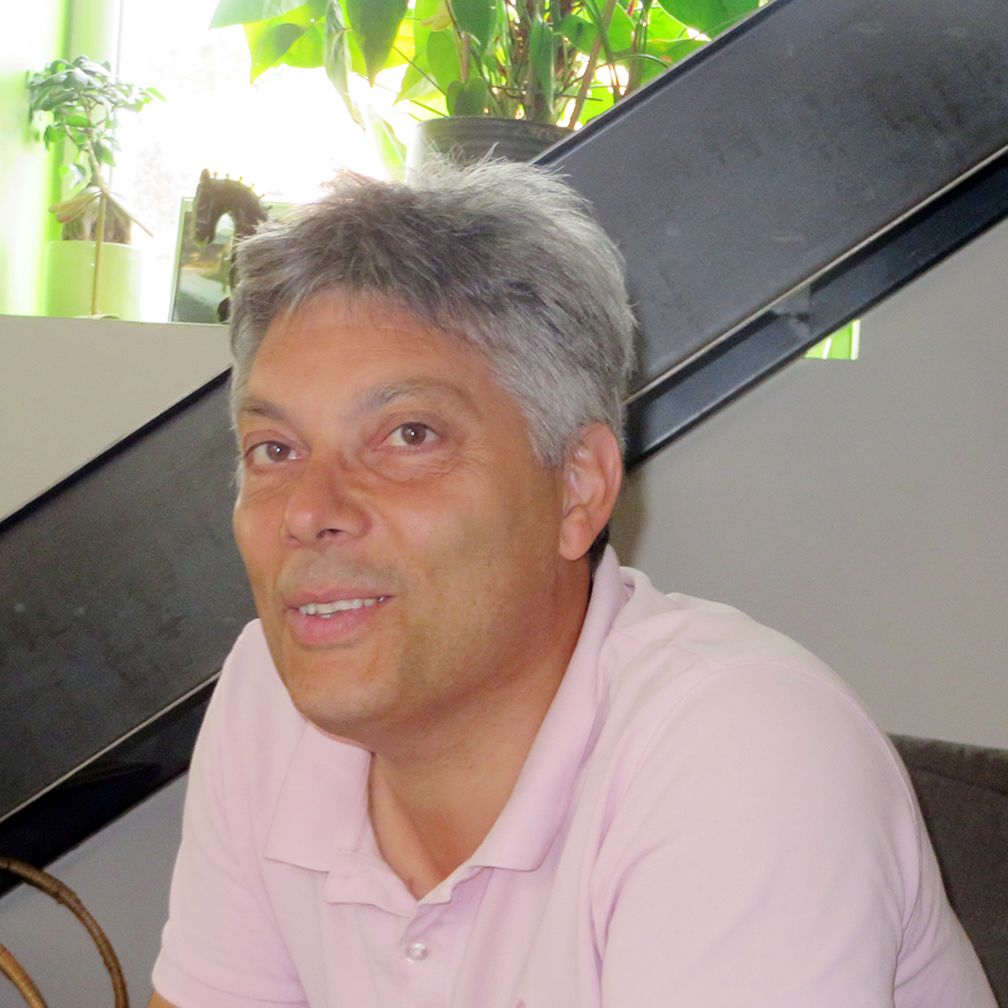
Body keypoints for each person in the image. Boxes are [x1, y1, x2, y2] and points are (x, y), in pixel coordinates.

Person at [149, 161, 995, 1008]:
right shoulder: (269, 695)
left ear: (577, 487)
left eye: (408, 436)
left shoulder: (744, 750)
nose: (309, 512)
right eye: (275, 450)